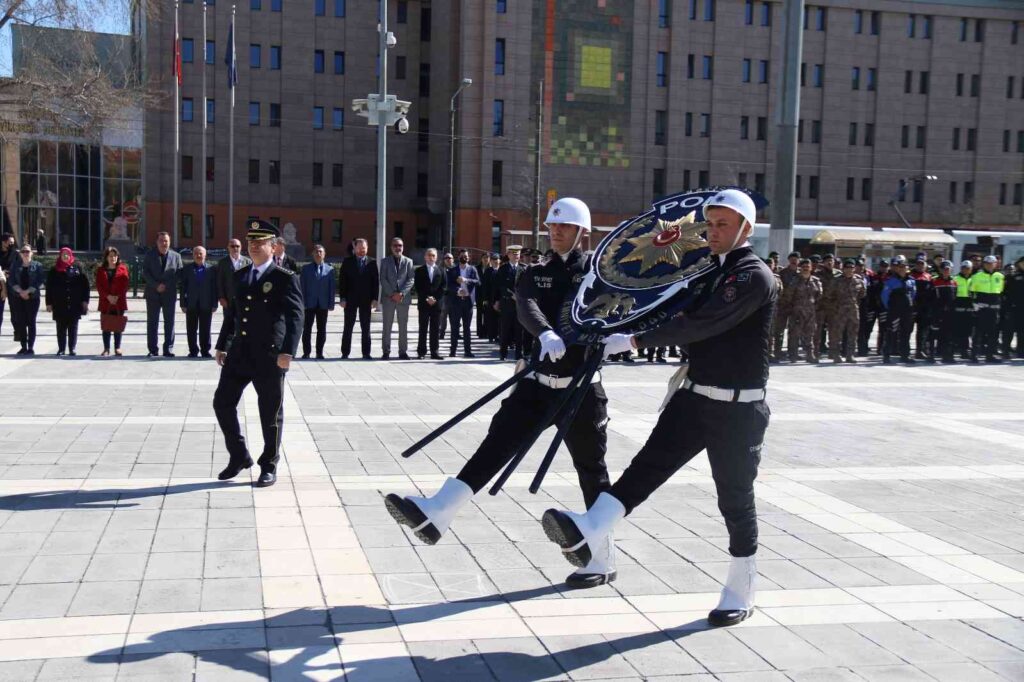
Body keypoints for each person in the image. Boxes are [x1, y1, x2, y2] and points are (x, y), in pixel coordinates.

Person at [547, 189, 777, 627]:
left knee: (734, 498)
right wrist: (610, 321)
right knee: (646, 468)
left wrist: (633, 341)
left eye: (724, 225)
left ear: (746, 229)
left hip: (737, 409)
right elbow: (665, 304)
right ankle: (589, 528)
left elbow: (700, 323)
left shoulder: (753, 277)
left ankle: (741, 585)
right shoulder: (710, 271)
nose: (713, 232)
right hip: (694, 396)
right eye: (710, 224)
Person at [385, 197, 617, 589]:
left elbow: (621, 309)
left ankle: (602, 555)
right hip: (537, 384)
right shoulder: (535, 273)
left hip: (581, 390)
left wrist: (619, 335)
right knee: (494, 447)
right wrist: (544, 332)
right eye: (552, 226)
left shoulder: (601, 276)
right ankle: (438, 512)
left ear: (583, 232)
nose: (555, 232)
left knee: (591, 469)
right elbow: (525, 304)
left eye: (564, 227)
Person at [213, 220, 304, 488]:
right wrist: (222, 344)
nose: (253, 246)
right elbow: (234, 314)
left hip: (269, 355)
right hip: (240, 353)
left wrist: (288, 351)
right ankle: (239, 455)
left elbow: (296, 316)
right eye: (250, 242)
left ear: (273, 246)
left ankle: (269, 464)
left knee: (270, 412)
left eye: (259, 242)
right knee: (222, 403)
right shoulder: (240, 275)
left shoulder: (284, 277)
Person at [142, 232, 182, 357]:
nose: (164, 243)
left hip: (169, 293)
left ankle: (168, 349)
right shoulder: (149, 255)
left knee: (169, 322)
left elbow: (179, 274)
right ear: (157, 242)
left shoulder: (176, 256)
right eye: (161, 241)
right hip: (152, 293)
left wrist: (166, 285)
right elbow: (145, 273)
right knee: (152, 322)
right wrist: (156, 285)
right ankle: (153, 349)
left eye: (166, 241)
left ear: (169, 242)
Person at [338, 238, 379, 359]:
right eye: (359, 248)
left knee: (366, 327)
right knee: (348, 326)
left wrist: (375, 299)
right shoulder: (347, 262)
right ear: (354, 248)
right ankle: (345, 353)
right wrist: (342, 298)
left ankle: (366, 353)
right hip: (350, 299)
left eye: (364, 248)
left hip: (366, 299)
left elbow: (375, 282)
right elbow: (342, 281)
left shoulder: (372, 262)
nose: (362, 251)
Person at [45, 247, 90, 356]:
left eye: (67, 254)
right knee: (60, 328)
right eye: (63, 254)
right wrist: (49, 303)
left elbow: (85, 286)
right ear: (60, 256)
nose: (65, 256)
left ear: (71, 255)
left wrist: (85, 301)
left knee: (73, 328)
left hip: (74, 303)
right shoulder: (54, 270)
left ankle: (72, 348)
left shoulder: (78, 268)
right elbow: (49, 287)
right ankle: (61, 348)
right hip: (59, 304)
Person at [178, 245, 219, 358]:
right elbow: (183, 288)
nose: (198, 255)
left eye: (201, 253)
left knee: (205, 329)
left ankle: (205, 350)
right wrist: (182, 303)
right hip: (191, 304)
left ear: (205, 255)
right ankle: (193, 350)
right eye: (196, 253)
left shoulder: (211, 269)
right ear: (193, 255)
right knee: (191, 329)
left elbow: (214, 288)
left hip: (206, 303)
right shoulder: (187, 269)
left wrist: (215, 303)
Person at [379, 237, 415, 360]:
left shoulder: (409, 261)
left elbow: (411, 279)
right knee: (387, 326)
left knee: (403, 326)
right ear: (391, 247)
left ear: (403, 247)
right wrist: (392, 293)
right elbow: (382, 279)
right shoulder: (385, 261)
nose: (397, 247)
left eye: (400, 245)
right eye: (395, 245)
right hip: (388, 298)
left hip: (403, 299)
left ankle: (403, 352)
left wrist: (401, 293)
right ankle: (386, 351)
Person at [781, 259, 822, 363]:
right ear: (800, 268)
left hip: (810, 312)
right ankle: (793, 355)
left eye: (807, 266)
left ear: (811, 268)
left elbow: (819, 296)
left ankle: (810, 355)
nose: (806, 268)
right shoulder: (795, 281)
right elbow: (788, 296)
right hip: (797, 312)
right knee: (795, 334)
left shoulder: (816, 281)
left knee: (810, 334)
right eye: (803, 267)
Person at [299, 244, 335, 359]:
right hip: (309, 304)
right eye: (316, 252)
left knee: (322, 329)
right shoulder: (306, 269)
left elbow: (331, 288)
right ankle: (306, 352)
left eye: (321, 252)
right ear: (312, 254)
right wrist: (302, 303)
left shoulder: (330, 270)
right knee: (307, 329)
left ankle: (319, 352)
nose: (318, 254)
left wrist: (331, 303)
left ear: (324, 254)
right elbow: (302, 287)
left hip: (323, 304)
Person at [826, 259, 865, 363]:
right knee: (837, 334)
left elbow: (862, 294)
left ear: (854, 269)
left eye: (851, 268)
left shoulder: (858, 280)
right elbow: (829, 295)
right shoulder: (836, 281)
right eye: (847, 268)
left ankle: (850, 355)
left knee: (852, 334)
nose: (849, 270)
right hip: (839, 311)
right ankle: (836, 354)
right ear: (843, 269)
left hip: (853, 311)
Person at [8, 245, 45, 355]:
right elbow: (11, 281)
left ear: (32, 253)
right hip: (18, 298)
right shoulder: (15, 265)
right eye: (23, 251)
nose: (25, 253)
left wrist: (28, 291)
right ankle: (23, 346)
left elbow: (40, 281)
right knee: (21, 322)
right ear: (20, 254)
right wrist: (20, 292)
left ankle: (31, 347)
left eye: (27, 251)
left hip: (33, 298)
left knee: (31, 322)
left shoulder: (37, 266)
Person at [94, 246, 130, 356]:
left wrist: (117, 296)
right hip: (106, 301)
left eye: (115, 256)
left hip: (119, 301)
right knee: (106, 325)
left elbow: (126, 284)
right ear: (106, 257)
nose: (113, 258)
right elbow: (99, 286)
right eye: (110, 256)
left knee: (117, 325)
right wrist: (108, 296)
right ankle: (106, 348)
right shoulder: (101, 270)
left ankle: (117, 347)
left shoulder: (123, 268)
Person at [969, 255, 1004, 363]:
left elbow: (1001, 292)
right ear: (983, 264)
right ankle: (974, 355)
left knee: (993, 334)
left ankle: (990, 355)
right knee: (978, 333)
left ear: (995, 264)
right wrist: (974, 305)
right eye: (987, 263)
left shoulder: (1000, 276)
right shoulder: (977, 276)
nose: (989, 265)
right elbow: (971, 292)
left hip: (994, 310)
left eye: (992, 263)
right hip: (981, 309)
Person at [881, 256, 917, 364]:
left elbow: (914, 294)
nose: (902, 269)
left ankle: (905, 356)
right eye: (900, 267)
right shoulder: (891, 281)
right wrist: (890, 307)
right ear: (897, 268)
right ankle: (886, 355)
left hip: (907, 311)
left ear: (907, 268)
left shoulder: (911, 281)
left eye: (904, 266)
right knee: (891, 332)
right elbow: (884, 296)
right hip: (894, 311)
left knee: (906, 333)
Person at [446, 249, 480, 358]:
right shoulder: (453, 270)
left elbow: (478, 282)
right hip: (456, 302)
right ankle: (453, 351)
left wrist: (466, 280)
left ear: (468, 258)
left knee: (467, 328)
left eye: (466, 256)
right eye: (462, 256)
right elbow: (449, 284)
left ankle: (467, 351)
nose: (464, 258)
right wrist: (457, 290)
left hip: (468, 302)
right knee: (454, 327)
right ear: (458, 257)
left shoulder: (472, 269)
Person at [495, 244, 526, 361]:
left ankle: (519, 355)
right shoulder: (503, 269)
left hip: (519, 305)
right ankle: (503, 354)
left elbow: (526, 286)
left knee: (519, 331)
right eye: (514, 254)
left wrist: (519, 296)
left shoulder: (523, 269)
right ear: (508, 255)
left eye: (518, 254)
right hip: (507, 303)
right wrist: (511, 295)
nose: (516, 256)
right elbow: (500, 286)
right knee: (505, 330)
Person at [414, 248, 446, 360]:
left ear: (436, 257)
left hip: (436, 305)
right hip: (424, 303)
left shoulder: (441, 270)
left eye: (433, 255)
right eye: (429, 255)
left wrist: (435, 298)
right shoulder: (419, 270)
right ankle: (421, 352)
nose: (431, 257)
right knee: (423, 328)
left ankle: (434, 352)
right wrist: (427, 298)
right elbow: (418, 287)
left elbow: (443, 287)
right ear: (425, 257)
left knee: (435, 329)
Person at [773, 251, 800, 361]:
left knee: (794, 331)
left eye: (796, 259)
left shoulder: (801, 273)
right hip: (783, 306)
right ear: (789, 260)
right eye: (792, 259)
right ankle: (777, 353)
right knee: (779, 330)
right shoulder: (782, 273)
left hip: (796, 306)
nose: (794, 261)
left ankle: (793, 353)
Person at [930, 260, 957, 363]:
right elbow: (930, 297)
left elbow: (955, 297)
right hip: (937, 311)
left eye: (948, 269)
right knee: (933, 333)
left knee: (948, 334)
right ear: (940, 270)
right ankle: (931, 355)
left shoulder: (954, 282)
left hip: (949, 313)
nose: (946, 271)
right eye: (944, 269)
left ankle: (947, 355)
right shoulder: (934, 281)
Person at [909, 257, 934, 360]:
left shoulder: (929, 277)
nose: (920, 266)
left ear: (925, 265)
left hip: (925, 308)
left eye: (922, 264)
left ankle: (920, 350)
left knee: (923, 331)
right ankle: (903, 350)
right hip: (912, 307)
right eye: (918, 264)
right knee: (907, 330)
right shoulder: (910, 276)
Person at [217, 239, 251, 310]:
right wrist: (221, 297)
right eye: (232, 246)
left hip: (243, 299)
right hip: (228, 300)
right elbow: (219, 281)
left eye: (237, 246)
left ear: (241, 247)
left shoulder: (248, 262)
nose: (235, 248)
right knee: (228, 320)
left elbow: (250, 280)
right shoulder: (223, 263)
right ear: (228, 247)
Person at [952, 260, 975, 360]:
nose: (966, 270)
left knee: (967, 331)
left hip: (970, 307)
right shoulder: (955, 279)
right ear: (961, 268)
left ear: (971, 269)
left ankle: (964, 351)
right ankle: (953, 350)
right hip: (958, 307)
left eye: (968, 268)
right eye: (964, 268)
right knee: (956, 330)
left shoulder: (974, 279)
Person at [1004, 256, 1024, 358]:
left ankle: (1021, 350)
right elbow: (1007, 292)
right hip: (1013, 307)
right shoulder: (1013, 276)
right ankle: (1006, 350)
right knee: (1009, 331)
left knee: (1022, 332)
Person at [0, 233, 17, 339]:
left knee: (15, 311)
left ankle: (18, 332)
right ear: (3, 242)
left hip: (11, 284)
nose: (11, 245)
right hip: (0, 284)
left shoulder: (14, 254)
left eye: (12, 243)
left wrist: (9, 272)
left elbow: (18, 267)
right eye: (9, 242)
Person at [438, 252, 454, 340]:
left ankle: (455, 333)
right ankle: (441, 333)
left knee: (454, 316)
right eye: (446, 258)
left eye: (450, 258)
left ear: (453, 259)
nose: (448, 259)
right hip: (444, 296)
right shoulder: (440, 269)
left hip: (454, 296)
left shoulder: (456, 269)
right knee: (443, 315)